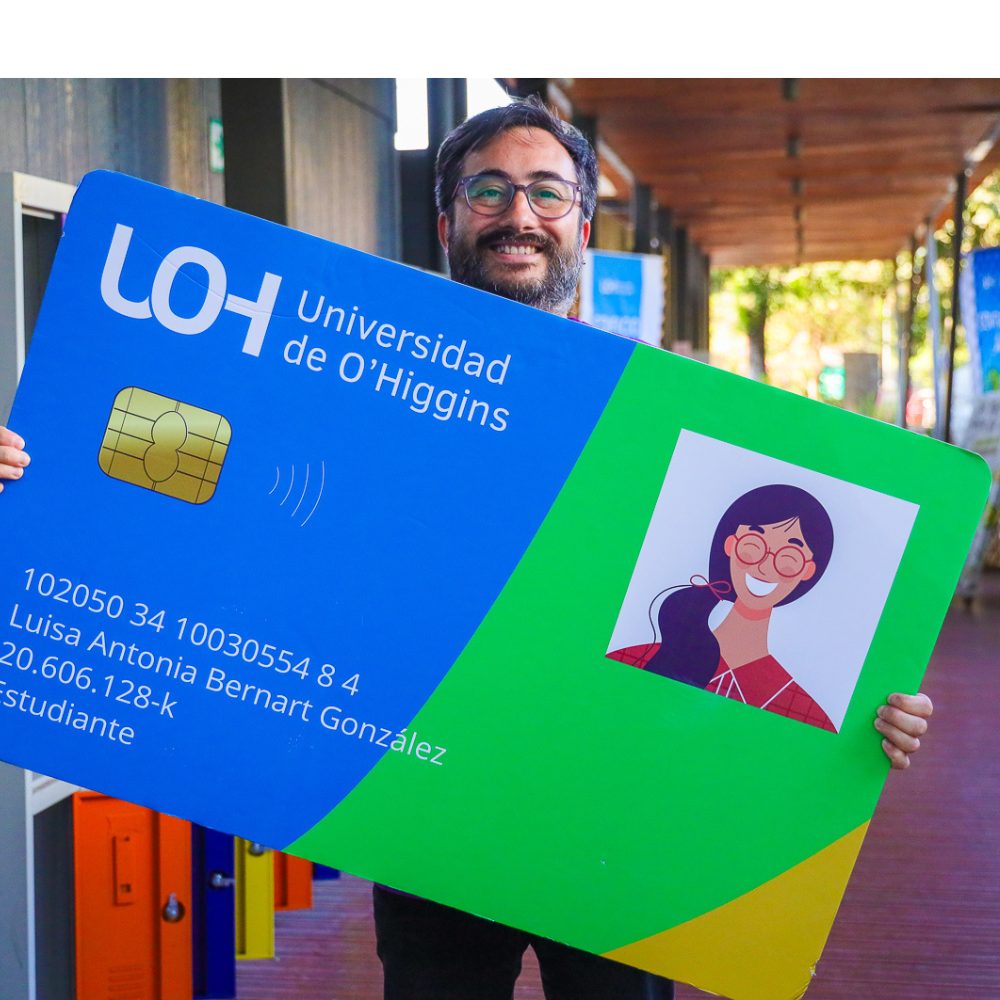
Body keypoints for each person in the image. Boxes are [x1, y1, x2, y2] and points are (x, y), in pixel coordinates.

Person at [0, 96, 933, 1000]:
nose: (518, 214)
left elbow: (761, 657)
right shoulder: (361, 379)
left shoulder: (670, 419)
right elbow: (225, 503)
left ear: (582, 227)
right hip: (431, 806)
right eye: (489, 190)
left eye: (546, 192)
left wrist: (869, 714)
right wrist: (33, 476)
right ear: (446, 221)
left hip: (611, 835)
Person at [610, 483, 838, 731]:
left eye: (789, 556)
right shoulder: (636, 657)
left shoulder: (804, 712)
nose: (764, 567)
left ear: (807, 570)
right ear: (730, 545)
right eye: (754, 544)